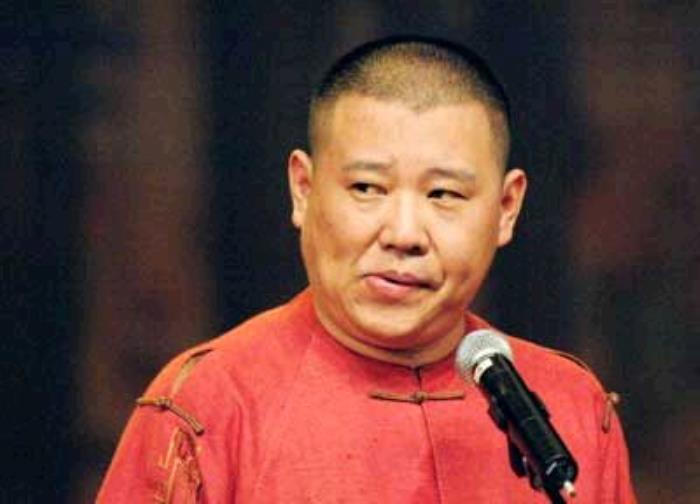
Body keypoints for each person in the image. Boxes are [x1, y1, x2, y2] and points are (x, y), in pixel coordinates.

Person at [97, 36, 636, 503]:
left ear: (506, 208)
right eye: (367, 188)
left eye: (444, 194)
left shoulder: (566, 408)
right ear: (303, 190)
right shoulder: (208, 408)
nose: (403, 233)